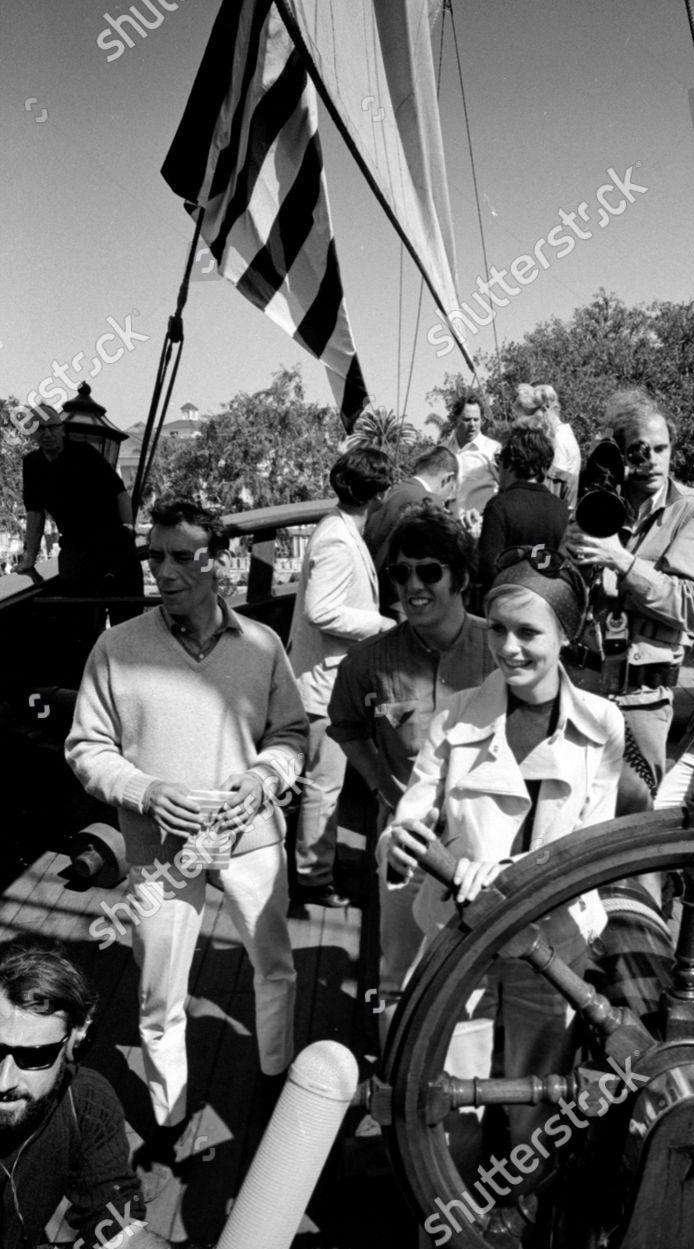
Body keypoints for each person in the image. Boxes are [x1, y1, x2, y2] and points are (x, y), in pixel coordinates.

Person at [65, 496, 308, 1154]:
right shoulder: (117, 648)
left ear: (220, 562)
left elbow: (291, 735)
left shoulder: (261, 646)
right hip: (160, 849)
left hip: (250, 838)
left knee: (274, 967)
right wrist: (145, 791)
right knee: (157, 994)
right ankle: (167, 1123)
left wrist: (261, 781)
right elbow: (86, 747)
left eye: (181, 556)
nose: (164, 571)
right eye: (155, 557)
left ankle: (272, 1077)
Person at [382, 549, 624, 1156]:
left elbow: (591, 848)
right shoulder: (455, 716)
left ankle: (517, 1224)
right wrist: (400, 842)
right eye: (499, 630)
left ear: (566, 636)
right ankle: (449, 1219)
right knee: (444, 1099)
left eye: (528, 632)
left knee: (537, 1106)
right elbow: (412, 812)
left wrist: (511, 877)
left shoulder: (604, 724)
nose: (510, 648)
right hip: (457, 936)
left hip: (554, 942)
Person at [0, 937, 206, 1249]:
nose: (4, 1080)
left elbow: (118, 1245)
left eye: (32, 1056)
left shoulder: (85, 1102)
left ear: (76, 1040)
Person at [328, 507, 494, 1022]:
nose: (413, 586)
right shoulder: (368, 662)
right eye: (401, 573)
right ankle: (393, 1076)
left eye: (429, 571)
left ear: (462, 577)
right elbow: (347, 726)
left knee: (481, 967)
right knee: (397, 968)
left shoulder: (500, 651)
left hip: (483, 843)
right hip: (407, 839)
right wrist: (383, 787)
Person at [567, 389, 694, 795]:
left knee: (629, 820)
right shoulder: (597, 506)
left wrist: (623, 561)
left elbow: (692, 606)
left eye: (661, 448)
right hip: (581, 684)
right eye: (638, 451)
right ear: (620, 456)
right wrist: (569, 558)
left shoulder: (692, 510)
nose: (652, 460)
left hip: (641, 697)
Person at [287, 448, 396, 906]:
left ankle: (318, 864)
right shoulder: (337, 538)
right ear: (380, 492)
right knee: (323, 785)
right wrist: (384, 626)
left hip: (330, 680)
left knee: (323, 783)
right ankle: (312, 878)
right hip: (322, 685)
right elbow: (321, 610)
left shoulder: (338, 529)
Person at [16, 404, 144, 668]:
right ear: (32, 434)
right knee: (80, 621)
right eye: (40, 429)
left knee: (128, 618)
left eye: (52, 427)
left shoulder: (83, 453)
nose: (47, 434)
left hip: (113, 542)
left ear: (61, 429)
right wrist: (29, 558)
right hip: (76, 547)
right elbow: (34, 513)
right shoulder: (32, 464)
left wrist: (129, 530)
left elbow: (119, 492)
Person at [363, 445, 459, 613]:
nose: (450, 494)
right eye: (453, 487)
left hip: (373, 596)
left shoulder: (390, 493)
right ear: (448, 478)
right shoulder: (428, 502)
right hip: (404, 603)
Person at [476, 426, 570, 592]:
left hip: (507, 605)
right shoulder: (562, 509)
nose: (498, 469)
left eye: (500, 460)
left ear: (511, 463)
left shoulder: (499, 506)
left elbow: (487, 571)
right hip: (547, 604)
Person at [514, 382, 581, 510]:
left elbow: (554, 486)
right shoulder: (565, 433)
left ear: (544, 410)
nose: (530, 424)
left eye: (529, 416)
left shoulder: (557, 440)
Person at [444, 394, 501, 523]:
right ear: (455, 419)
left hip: (480, 527)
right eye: (467, 419)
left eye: (476, 420)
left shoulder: (493, 450)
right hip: (448, 530)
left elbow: (506, 487)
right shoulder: (443, 451)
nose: (472, 425)